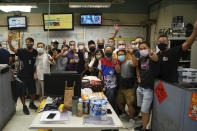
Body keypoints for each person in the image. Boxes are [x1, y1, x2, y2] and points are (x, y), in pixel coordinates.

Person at [8, 37, 38, 115]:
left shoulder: (35, 52)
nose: (27, 44)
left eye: (28, 42)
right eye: (26, 42)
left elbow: (35, 64)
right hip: (22, 75)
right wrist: (9, 43)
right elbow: (13, 50)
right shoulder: (22, 51)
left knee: (33, 91)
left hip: (31, 75)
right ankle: (24, 106)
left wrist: (35, 72)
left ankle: (31, 103)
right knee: (22, 92)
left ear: (32, 43)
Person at [135, 42, 158, 131]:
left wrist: (153, 55)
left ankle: (144, 128)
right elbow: (139, 69)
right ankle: (144, 125)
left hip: (149, 88)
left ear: (149, 48)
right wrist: (139, 76)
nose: (142, 50)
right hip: (140, 87)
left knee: (145, 110)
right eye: (140, 49)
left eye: (144, 48)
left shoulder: (152, 57)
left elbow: (156, 59)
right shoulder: (141, 59)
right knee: (142, 110)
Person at [116, 49, 138, 129]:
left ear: (125, 55)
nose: (120, 56)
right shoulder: (119, 63)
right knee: (119, 102)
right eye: (119, 55)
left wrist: (132, 54)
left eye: (122, 54)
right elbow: (117, 71)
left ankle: (132, 119)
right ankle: (125, 114)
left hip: (130, 87)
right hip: (121, 86)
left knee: (130, 104)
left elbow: (135, 63)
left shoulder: (129, 62)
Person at [98, 45, 120, 114]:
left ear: (112, 52)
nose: (108, 52)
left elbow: (118, 71)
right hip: (104, 84)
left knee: (110, 100)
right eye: (106, 51)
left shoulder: (116, 60)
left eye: (109, 50)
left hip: (112, 85)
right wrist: (99, 83)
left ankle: (113, 113)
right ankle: (106, 112)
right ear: (104, 52)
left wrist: (115, 63)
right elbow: (100, 72)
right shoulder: (101, 60)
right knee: (104, 99)